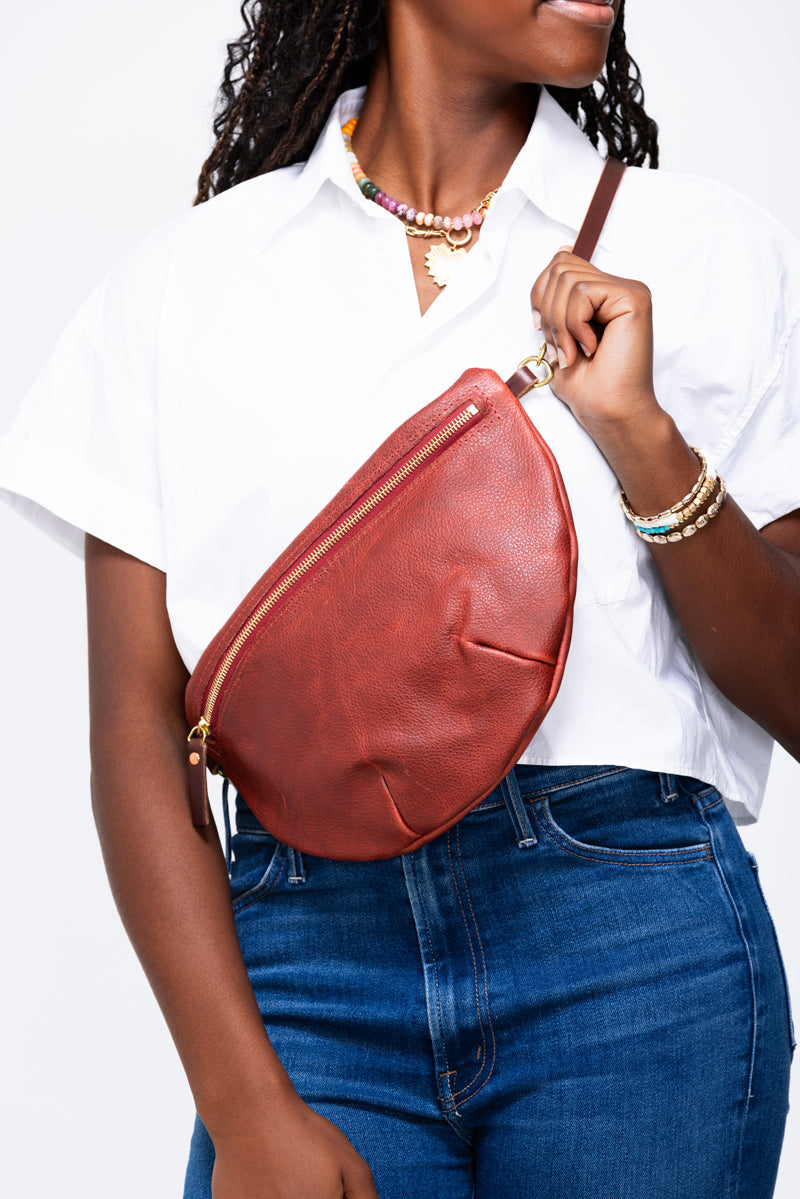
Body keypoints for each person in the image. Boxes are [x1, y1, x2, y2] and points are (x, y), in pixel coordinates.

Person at [1, 0, 798, 1196]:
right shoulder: (186, 286)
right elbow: (136, 729)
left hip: (628, 948)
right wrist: (242, 1099)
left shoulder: (704, 250)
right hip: (304, 968)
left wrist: (640, 436)